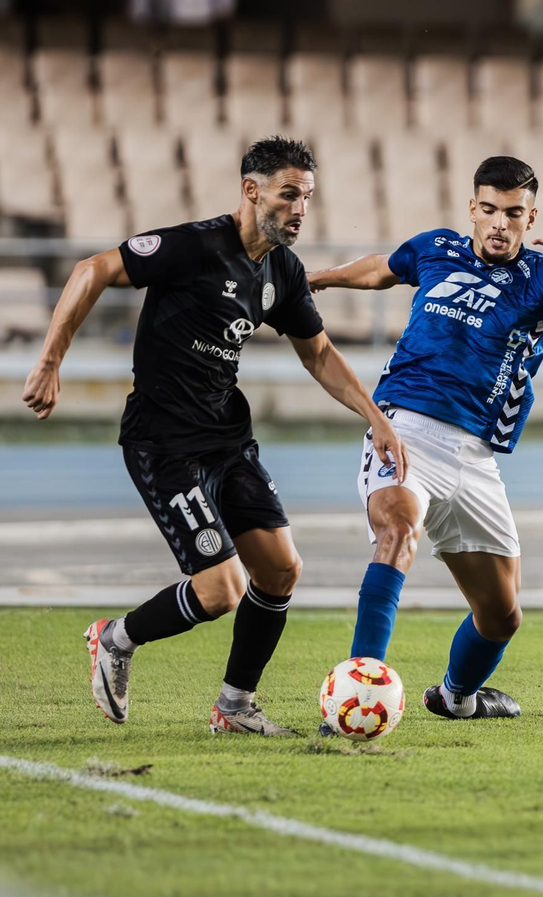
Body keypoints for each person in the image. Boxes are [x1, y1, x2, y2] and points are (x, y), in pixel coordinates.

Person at [21, 136, 407, 736]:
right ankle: (115, 638)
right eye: (289, 195)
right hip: (164, 443)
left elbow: (320, 353)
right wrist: (51, 360)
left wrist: (375, 417)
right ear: (252, 192)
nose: (301, 209)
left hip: (229, 441)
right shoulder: (194, 246)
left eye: (307, 196)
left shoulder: (283, 269)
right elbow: (90, 269)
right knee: (221, 588)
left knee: (280, 571)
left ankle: (234, 706)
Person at [306, 156, 543, 727]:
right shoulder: (434, 248)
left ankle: (455, 697)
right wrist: (310, 280)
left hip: (475, 456)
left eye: (513, 214)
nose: (499, 223)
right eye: (489, 210)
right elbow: (378, 270)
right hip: (404, 428)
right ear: (473, 208)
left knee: (501, 617)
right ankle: (359, 685)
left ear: (531, 216)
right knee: (396, 530)